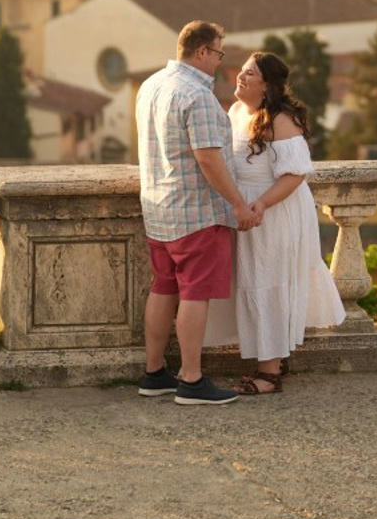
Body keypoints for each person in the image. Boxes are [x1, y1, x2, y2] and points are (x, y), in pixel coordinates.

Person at [135, 20, 262, 406]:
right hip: (196, 212)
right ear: (202, 51)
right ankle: (191, 379)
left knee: (163, 287)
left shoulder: (151, 86)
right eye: (219, 53)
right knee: (194, 293)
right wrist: (238, 204)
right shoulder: (198, 96)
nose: (220, 63)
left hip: (158, 208)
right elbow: (208, 159)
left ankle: (155, 373)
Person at [206, 50, 345, 395]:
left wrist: (261, 204)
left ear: (267, 85)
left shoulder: (282, 120)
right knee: (251, 281)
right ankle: (272, 358)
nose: (241, 76)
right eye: (243, 71)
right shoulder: (237, 111)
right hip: (247, 209)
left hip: (276, 211)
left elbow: (295, 174)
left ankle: (269, 373)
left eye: (250, 74)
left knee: (267, 282)